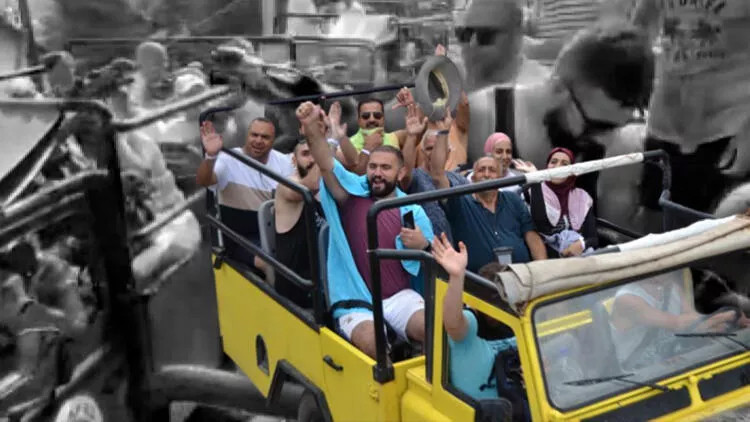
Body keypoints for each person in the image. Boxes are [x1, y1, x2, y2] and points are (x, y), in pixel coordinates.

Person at [468, 22, 654, 232]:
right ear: (557, 89)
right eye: (598, 127)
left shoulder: (621, 145)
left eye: (616, 127)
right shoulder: (481, 119)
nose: (607, 140)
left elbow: (619, 237)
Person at [297, 101, 434, 359]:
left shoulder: (412, 211)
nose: (377, 173)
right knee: (375, 345)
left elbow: (436, 261)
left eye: (385, 168)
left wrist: (423, 246)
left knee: (433, 329)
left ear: (401, 173)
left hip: (399, 297)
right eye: (373, 166)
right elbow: (325, 163)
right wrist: (312, 127)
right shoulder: (350, 195)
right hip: (356, 301)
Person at [634, 0, 750, 214]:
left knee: (717, 229)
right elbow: (640, 24)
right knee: (657, 221)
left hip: (728, 128)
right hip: (665, 125)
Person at [433, 129, 547, 271]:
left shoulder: (513, 200)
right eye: (481, 170)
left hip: (519, 276)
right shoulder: (461, 202)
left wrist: (542, 271)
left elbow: (532, 237)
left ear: (500, 177)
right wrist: (443, 131)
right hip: (477, 281)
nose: (486, 174)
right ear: (473, 177)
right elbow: (437, 175)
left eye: (492, 170)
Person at [197, 118, 294, 270]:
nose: (258, 141)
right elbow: (204, 181)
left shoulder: (283, 162)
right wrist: (210, 156)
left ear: (273, 140)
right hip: (241, 238)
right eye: (254, 135)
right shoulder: (229, 160)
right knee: (271, 265)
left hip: (277, 233)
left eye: (265, 137)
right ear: (247, 136)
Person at [431, 233, 519, 402]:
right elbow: (453, 324)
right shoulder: (471, 323)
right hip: (479, 411)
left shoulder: (517, 320)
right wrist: (456, 276)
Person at [610, 270, 749, 369]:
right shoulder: (627, 299)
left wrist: (729, 324)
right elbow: (677, 323)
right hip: (634, 370)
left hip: (669, 356)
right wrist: (728, 315)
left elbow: (694, 322)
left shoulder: (671, 288)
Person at [267, 140, 325, 309]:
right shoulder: (287, 184)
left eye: (315, 154)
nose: (312, 159)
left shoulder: (325, 187)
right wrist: (325, 149)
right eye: (306, 154)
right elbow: (310, 186)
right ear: (294, 160)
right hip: (298, 288)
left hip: (325, 280)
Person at [513, 147, 597, 257]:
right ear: (547, 167)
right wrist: (536, 179)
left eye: (564, 164)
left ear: (571, 171)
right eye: (553, 162)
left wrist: (581, 244)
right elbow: (542, 227)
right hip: (545, 256)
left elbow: (593, 238)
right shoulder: (532, 191)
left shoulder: (582, 197)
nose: (558, 167)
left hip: (578, 255)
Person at [458, 0, 550, 92]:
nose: (471, 44)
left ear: (515, 36)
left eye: (485, 35)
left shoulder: (540, 90)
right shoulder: (454, 79)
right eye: (466, 34)